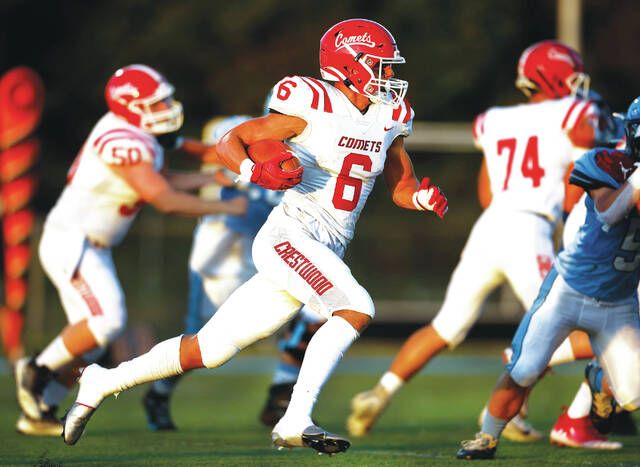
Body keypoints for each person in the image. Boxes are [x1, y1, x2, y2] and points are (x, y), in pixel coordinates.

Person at [61, 18, 448, 455]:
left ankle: (104, 379)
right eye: (381, 65)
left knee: (210, 349)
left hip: (325, 245)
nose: (391, 76)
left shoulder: (391, 117)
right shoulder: (312, 102)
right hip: (290, 234)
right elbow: (233, 141)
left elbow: (401, 184)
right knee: (356, 307)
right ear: (350, 65)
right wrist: (253, 172)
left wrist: (421, 199)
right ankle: (295, 419)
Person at [347, 40, 608, 442]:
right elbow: (577, 190)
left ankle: (381, 391)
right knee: (572, 328)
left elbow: (487, 193)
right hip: (530, 228)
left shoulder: (494, 119)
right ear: (555, 76)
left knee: (446, 326)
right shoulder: (577, 113)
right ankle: (515, 384)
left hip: (490, 226)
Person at [13, 64, 246, 436]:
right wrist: (225, 205)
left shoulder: (141, 134)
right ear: (130, 107)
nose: (168, 107)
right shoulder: (124, 139)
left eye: (166, 98)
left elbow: (164, 177)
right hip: (73, 240)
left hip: (91, 245)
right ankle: (36, 370)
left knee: (92, 342)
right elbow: (163, 198)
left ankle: (40, 411)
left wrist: (213, 177)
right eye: (157, 102)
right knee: (107, 321)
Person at [456, 96, 640, 460]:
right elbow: (609, 211)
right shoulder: (602, 161)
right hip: (569, 291)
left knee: (632, 396)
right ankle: (487, 435)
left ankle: (598, 381)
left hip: (620, 302)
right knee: (524, 369)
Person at [141, 114, 326, 431]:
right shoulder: (260, 136)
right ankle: (157, 390)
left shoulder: (317, 142)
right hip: (228, 247)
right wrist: (176, 142)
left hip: (273, 245)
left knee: (317, 310)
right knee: (203, 341)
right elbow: (213, 151)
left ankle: (281, 398)